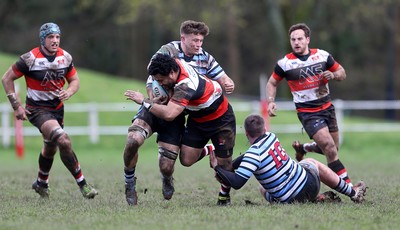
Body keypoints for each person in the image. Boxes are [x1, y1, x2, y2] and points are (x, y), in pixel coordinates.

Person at [122, 20, 234, 205]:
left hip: (176, 111)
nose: (198, 45)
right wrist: (151, 97)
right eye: (194, 41)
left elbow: (221, 76)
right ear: (183, 38)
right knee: (133, 139)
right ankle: (129, 182)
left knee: (168, 165)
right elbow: (153, 72)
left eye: (201, 41)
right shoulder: (168, 51)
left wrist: (228, 82)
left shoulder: (202, 61)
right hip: (154, 103)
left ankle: (167, 178)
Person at [1, 22, 98, 199]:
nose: (55, 41)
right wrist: (16, 107)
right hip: (37, 110)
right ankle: (83, 184)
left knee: (50, 146)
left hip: (57, 110)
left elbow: (74, 81)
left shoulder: (65, 57)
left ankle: (41, 183)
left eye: (57, 37)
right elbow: (6, 78)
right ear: (42, 39)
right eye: (50, 37)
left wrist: (69, 91)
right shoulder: (30, 58)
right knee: (63, 140)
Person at [266, 23, 352, 186]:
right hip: (308, 112)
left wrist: (333, 75)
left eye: (299, 39)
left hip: (327, 107)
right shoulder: (285, 63)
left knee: (333, 148)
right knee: (329, 148)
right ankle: (348, 187)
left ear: (307, 40)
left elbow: (342, 73)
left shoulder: (322, 56)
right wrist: (270, 102)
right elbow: (271, 83)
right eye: (293, 39)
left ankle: (304, 148)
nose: (296, 42)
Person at [210, 114, 367, 203]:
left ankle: (313, 199)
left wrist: (218, 167)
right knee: (310, 162)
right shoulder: (271, 136)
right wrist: (233, 164)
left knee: (262, 187)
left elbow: (237, 183)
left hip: (289, 200)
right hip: (310, 185)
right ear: (264, 129)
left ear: (246, 133)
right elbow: (246, 158)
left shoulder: (253, 154)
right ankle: (350, 191)